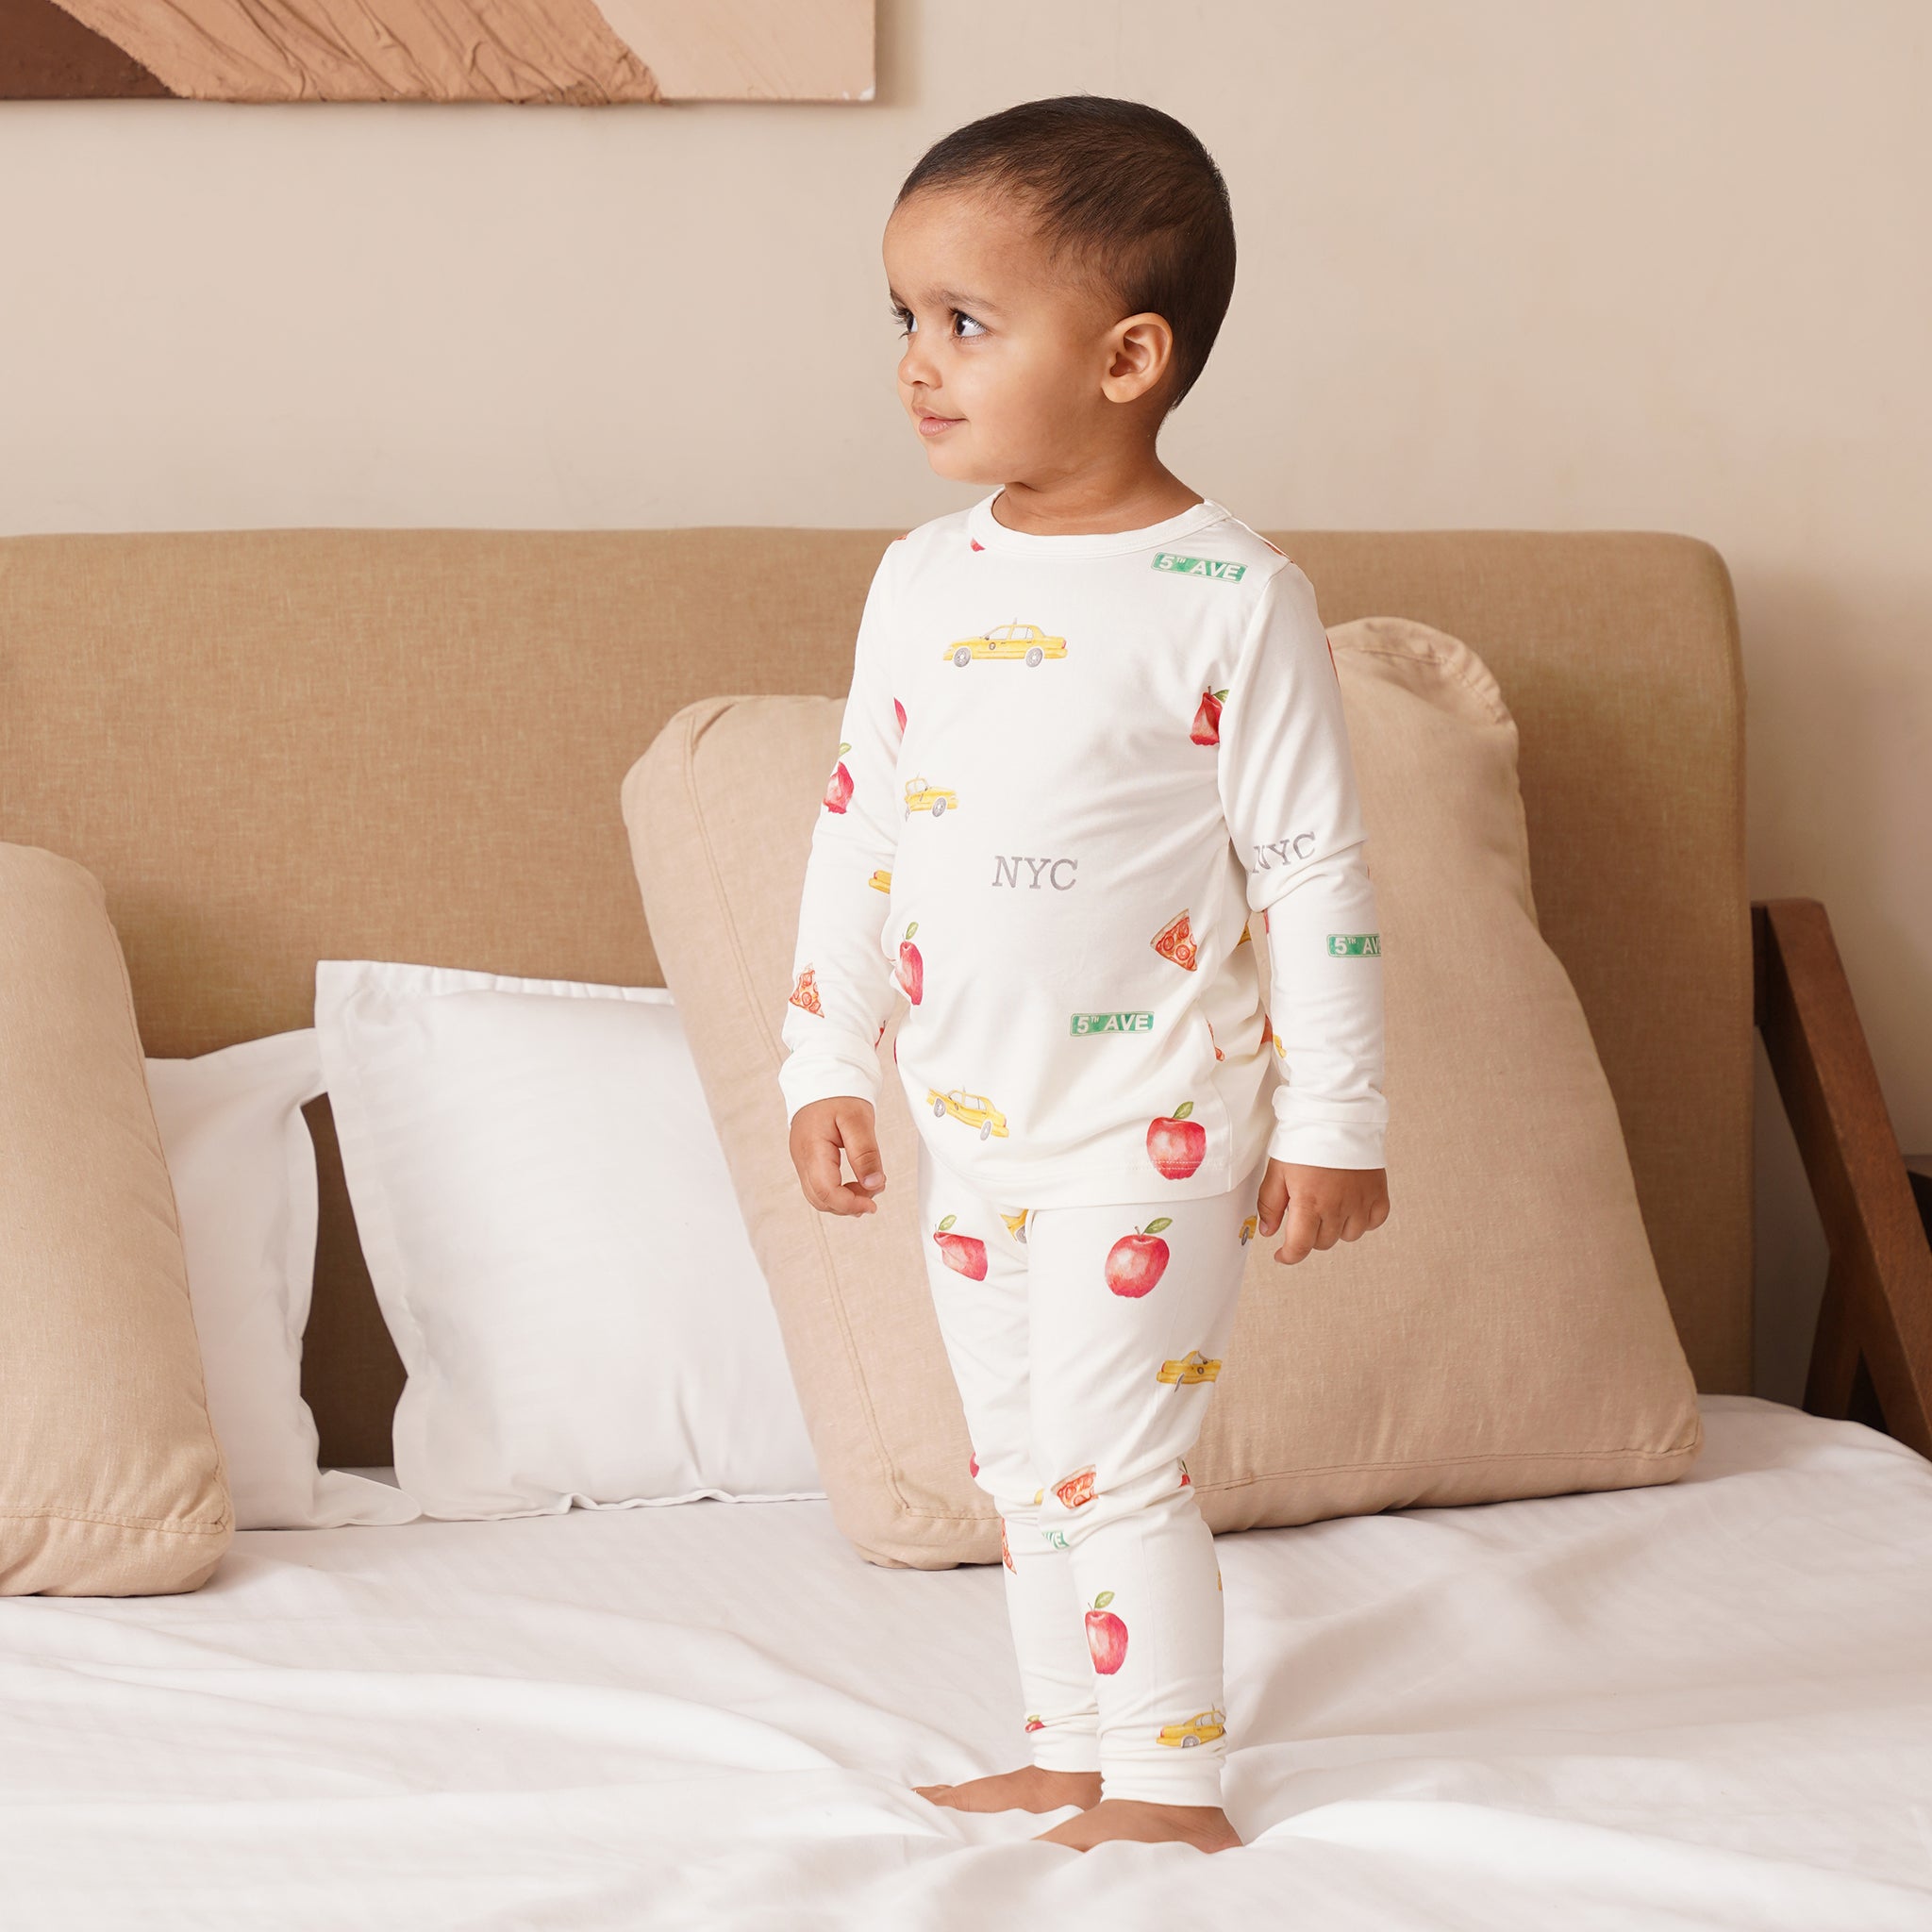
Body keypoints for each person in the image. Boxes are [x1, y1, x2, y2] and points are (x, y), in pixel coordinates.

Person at [779, 94, 1391, 1855]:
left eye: (965, 323)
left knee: (1117, 1465)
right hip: (973, 1124)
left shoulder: (1231, 595)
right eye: (901, 319)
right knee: (1019, 1461)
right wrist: (825, 1058)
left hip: (1157, 1125)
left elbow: (1313, 875)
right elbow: (859, 832)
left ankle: (1170, 1788)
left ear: (1129, 357)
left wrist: (1337, 1120)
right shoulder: (917, 582)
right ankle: (1067, 1747)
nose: (916, 362)